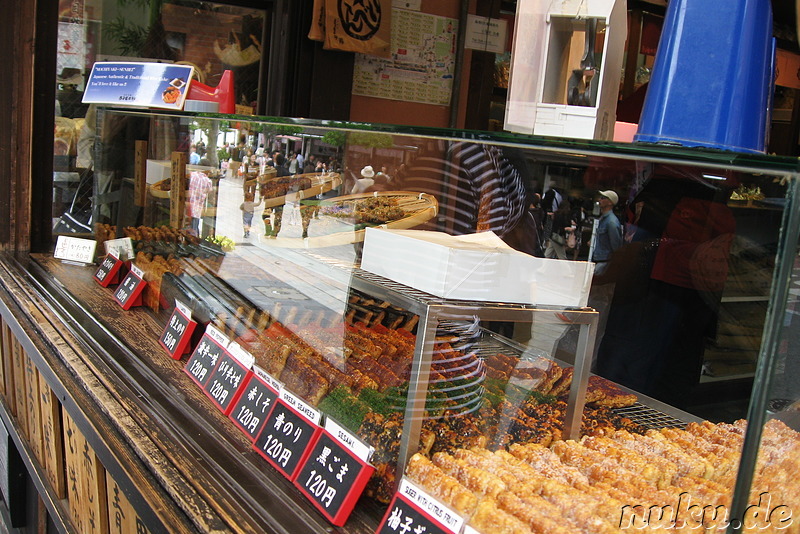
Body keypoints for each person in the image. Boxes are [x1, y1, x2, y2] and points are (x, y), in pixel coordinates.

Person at [591, 190, 623, 275]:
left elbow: (616, 246)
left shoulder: (611, 222)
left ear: (610, 202)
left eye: (603, 198)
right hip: (599, 261)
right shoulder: (603, 219)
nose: (599, 200)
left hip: (603, 263)